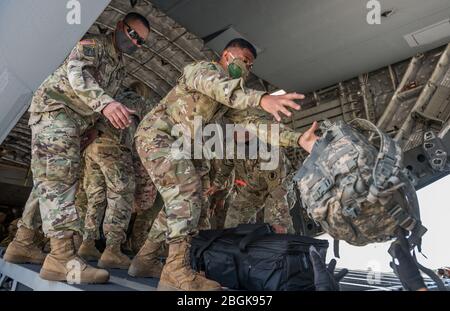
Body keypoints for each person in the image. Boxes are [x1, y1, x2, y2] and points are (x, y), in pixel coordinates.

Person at [134, 37, 320, 290]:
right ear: (226, 56)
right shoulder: (201, 70)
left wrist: (298, 139)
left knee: (187, 201)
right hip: (158, 136)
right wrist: (262, 98)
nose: (246, 68)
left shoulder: (230, 100)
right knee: (186, 191)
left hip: (182, 147)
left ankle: (145, 260)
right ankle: (175, 271)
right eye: (243, 60)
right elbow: (220, 89)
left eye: (250, 66)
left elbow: (257, 125)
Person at [4, 12, 151, 284]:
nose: (135, 43)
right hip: (56, 110)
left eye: (140, 42)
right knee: (60, 177)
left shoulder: (119, 67)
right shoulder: (93, 46)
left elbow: (102, 99)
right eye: (133, 34)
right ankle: (61, 258)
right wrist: (105, 104)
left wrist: (93, 129)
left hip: (74, 122)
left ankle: (21, 243)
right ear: (120, 26)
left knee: (47, 181)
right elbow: (77, 74)